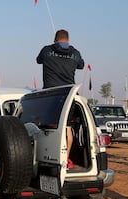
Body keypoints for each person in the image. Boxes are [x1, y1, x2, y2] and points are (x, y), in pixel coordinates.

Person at [37, 29, 85, 169]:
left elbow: (38, 60)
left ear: (55, 39)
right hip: (68, 96)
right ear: (68, 40)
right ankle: (65, 160)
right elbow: (81, 65)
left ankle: (47, 159)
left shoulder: (46, 50)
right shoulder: (75, 53)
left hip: (50, 96)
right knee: (67, 128)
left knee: (47, 129)